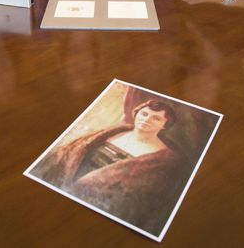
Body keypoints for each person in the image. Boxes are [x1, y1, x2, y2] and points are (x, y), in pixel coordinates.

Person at [31, 100, 184, 235]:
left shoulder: (162, 158)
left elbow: (142, 198)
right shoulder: (113, 133)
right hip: (61, 190)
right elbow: (69, 154)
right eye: (144, 114)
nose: (147, 119)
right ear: (136, 113)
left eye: (156, 118)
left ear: (165, 125)